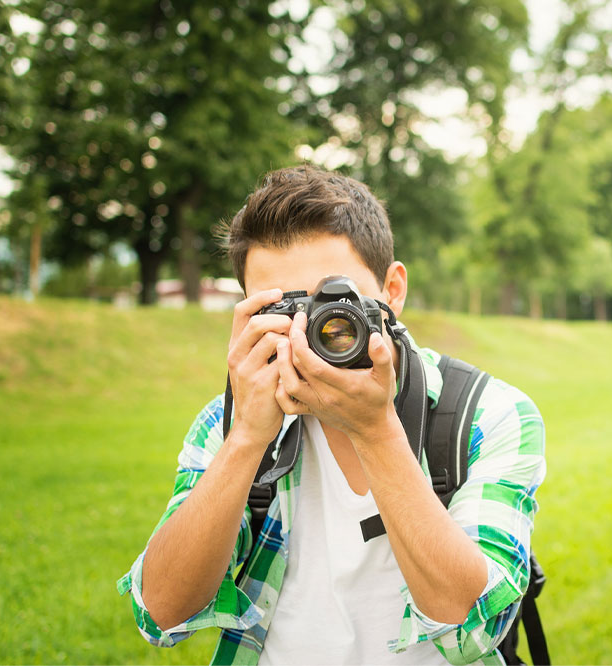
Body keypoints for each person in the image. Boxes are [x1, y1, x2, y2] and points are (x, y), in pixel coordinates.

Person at [117, 166, 547, 665]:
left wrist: (376, 429)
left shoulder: (487, 415)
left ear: (393, 289)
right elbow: (162, 614)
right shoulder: (225, 423)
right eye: (285, 309)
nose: (309, 331)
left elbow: (470, 628)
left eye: (333, 302)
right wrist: (246, 439)